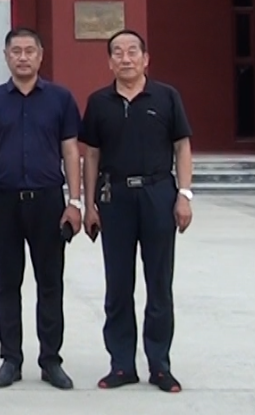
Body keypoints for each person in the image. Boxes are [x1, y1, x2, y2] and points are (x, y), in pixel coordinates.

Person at [0, 26, 84, 391]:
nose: (22, 57)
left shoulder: (60, 98)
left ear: (40, 56)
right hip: (3, 202)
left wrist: (75, 201)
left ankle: (51, 360)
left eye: (29, 51)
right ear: (6, 56)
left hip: (48, 201)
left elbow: (70, 150)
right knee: (7, 283)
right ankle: (11, 359)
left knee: (50, 283)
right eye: (15, 51)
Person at [79, 29, 194, 393]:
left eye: (132, 52)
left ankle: (159, 365)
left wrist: (184, 195)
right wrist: (89, 204)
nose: (125, 58)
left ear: (146, 59)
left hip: (158, 193)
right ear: (109, 61)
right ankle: (121, 365)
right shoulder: (99, 102)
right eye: (118, 52)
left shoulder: (166, 97)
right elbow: (91, 155)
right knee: (118, 285)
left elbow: (182, 147)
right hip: (115, 198)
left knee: (159, 284)